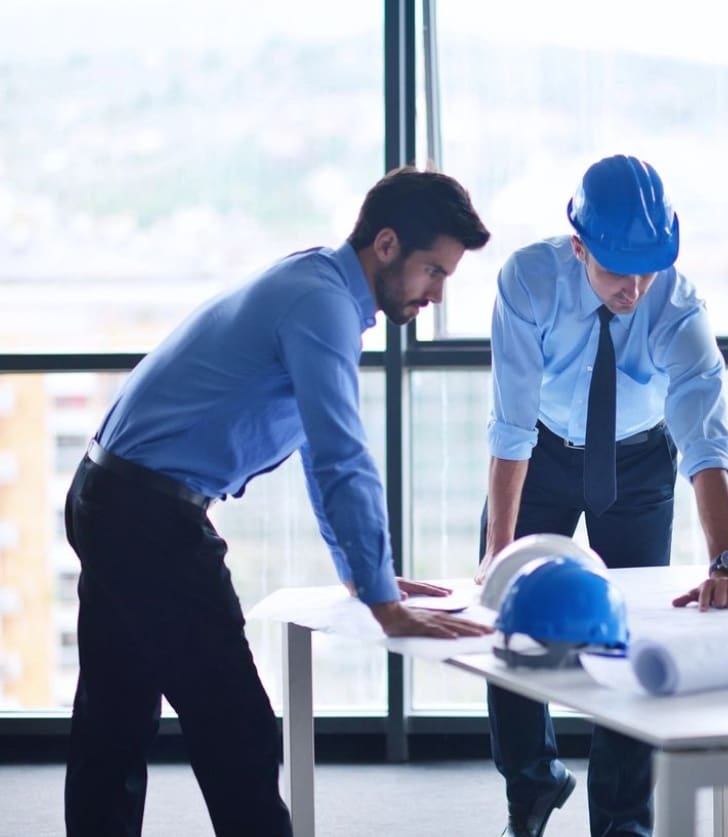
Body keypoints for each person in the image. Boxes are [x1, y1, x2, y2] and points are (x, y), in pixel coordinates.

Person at [63, 166, 495, 837]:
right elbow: (342, 456)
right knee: (235, 729)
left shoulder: (317, 283)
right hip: (146, 514)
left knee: (113, 722)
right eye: (434, 271)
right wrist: (385, 603)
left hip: (111, 495)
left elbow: (317, 457)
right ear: (386, 245)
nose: (437, 294)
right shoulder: (320, 305)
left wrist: (362, 575)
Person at [479, 153, 728, 837]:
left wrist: (727, 560)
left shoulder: (678, 307)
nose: (634, 288)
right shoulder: (530, 281)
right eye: (616, 270)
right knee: (507, 616)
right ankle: (532, 780)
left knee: (633, 632)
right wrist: (496, 555)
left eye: (648, 268)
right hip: (539, 454)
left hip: (637, 464)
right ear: (578, 247)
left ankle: (624, 820)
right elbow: (510, 423)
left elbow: (707, 443)